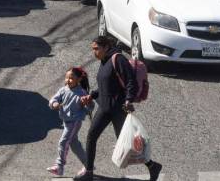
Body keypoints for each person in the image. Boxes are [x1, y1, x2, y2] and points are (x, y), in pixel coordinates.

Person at [76, 36, 162, 181]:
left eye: (96, 49)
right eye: (93, 49)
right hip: (104, 108)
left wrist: (128, 99)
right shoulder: (104, 61)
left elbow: (131, 82)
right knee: (92, 136)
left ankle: (152, 165)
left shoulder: (118, 59)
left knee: (128, 143)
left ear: (106, 47)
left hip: (118, 109)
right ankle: (89, 171)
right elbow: (105, 86)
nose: (94, 52)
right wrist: (91, 95)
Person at [47, 67, 93, 177]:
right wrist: (54, 104)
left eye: (71, 78)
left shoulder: (82, 92)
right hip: (66, 121)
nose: (68, 80)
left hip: (75, 121)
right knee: (74, 145)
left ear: (79, 80)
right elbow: (53, 99)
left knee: (63, 142)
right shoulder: (63, 89)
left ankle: (59, 167)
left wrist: (86, 103)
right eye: (66, 77)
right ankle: (88, 165)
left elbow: (91, 107)